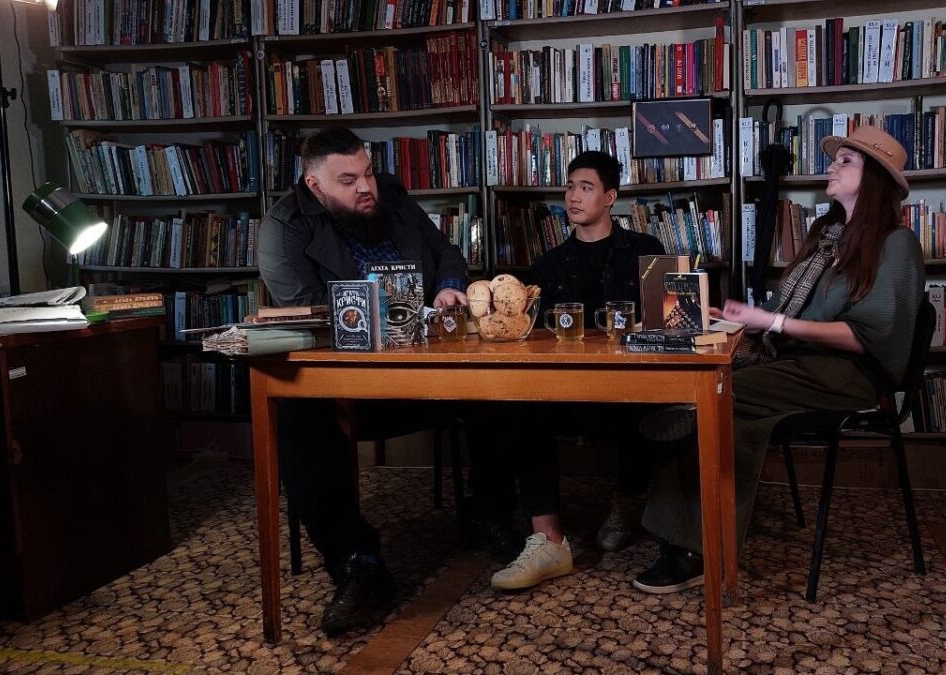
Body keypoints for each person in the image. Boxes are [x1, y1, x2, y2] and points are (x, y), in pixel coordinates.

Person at [632, 125, 926, 594]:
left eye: (846, 161)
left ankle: (692, 534)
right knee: (727, 412)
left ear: (874, 179)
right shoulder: (827, 237)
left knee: (714, 395)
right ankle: (694, 542)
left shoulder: (896, 243)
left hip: (847, 375)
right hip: (792, 366)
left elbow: (867, 335)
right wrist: (736, 319)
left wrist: (772, 322)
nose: (832, 166)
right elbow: (788, 311)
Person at [257, 126, 468, 634]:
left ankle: (496, 519)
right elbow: (312, 318)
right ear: (315, 186)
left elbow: (445, 251)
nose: (366, 187)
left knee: (504, 383)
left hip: (428, 365)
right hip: (350, 384)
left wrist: (447, 287)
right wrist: (386, 316)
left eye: (367, 172)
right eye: (348, 181)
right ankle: (356, 563)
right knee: (296, 412)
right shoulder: (283, 228)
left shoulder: (390, 194)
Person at [467, 151, 668, 591]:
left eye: (586, 187)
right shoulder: (548, 265)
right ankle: (547, 538)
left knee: (661, 404)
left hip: (630, 386)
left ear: (610, 197)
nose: (573, 196)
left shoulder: (646, 251)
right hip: (569, 388)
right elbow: (535, 338)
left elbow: (669, 322)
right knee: (521, 406)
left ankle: (628, 501)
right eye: (570, 187)